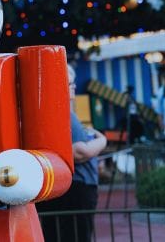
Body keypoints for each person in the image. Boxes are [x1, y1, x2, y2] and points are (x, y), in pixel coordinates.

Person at [37, 66, 107, 242]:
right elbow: (79, 152)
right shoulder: (64, 113)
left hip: (63, 185)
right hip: (77, 186)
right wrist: (102, 141)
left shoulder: (46, 111)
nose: (74, 87)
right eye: (69, 83)